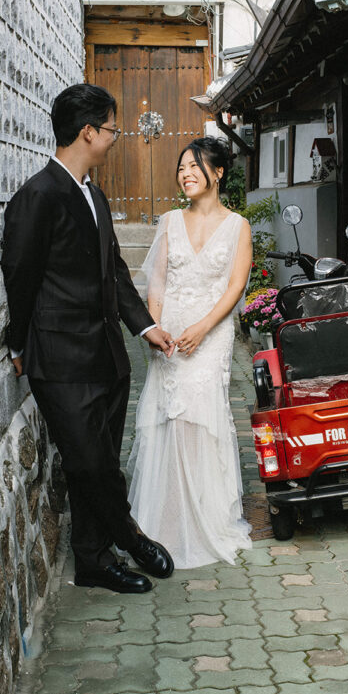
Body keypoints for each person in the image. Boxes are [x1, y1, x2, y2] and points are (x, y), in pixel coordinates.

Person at [0, 83, 175, 593]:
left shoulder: (92, 194)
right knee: (88, 461)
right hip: (61, 358)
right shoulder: (38, 196)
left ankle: (94, 563)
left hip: (107, 356)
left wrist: (144, 326)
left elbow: (114, 273)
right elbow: (20, 275)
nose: (116, 137)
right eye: (112, 129)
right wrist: (18, 345)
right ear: (88, 132)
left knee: (96, 462)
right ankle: (129, 534)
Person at [127, 137, 253, 569]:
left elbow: (235, 286)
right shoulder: (169, 221)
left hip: (211, 331)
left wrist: (202, 327)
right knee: (169, 416)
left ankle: (204, 514)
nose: (186, 174)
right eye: (182, 167)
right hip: (170, 333)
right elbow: (157, 282)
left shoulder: (238, 226)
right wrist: (155, 327)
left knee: (201, 417)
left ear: (218, 173)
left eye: (195, 166)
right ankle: (166, 515)